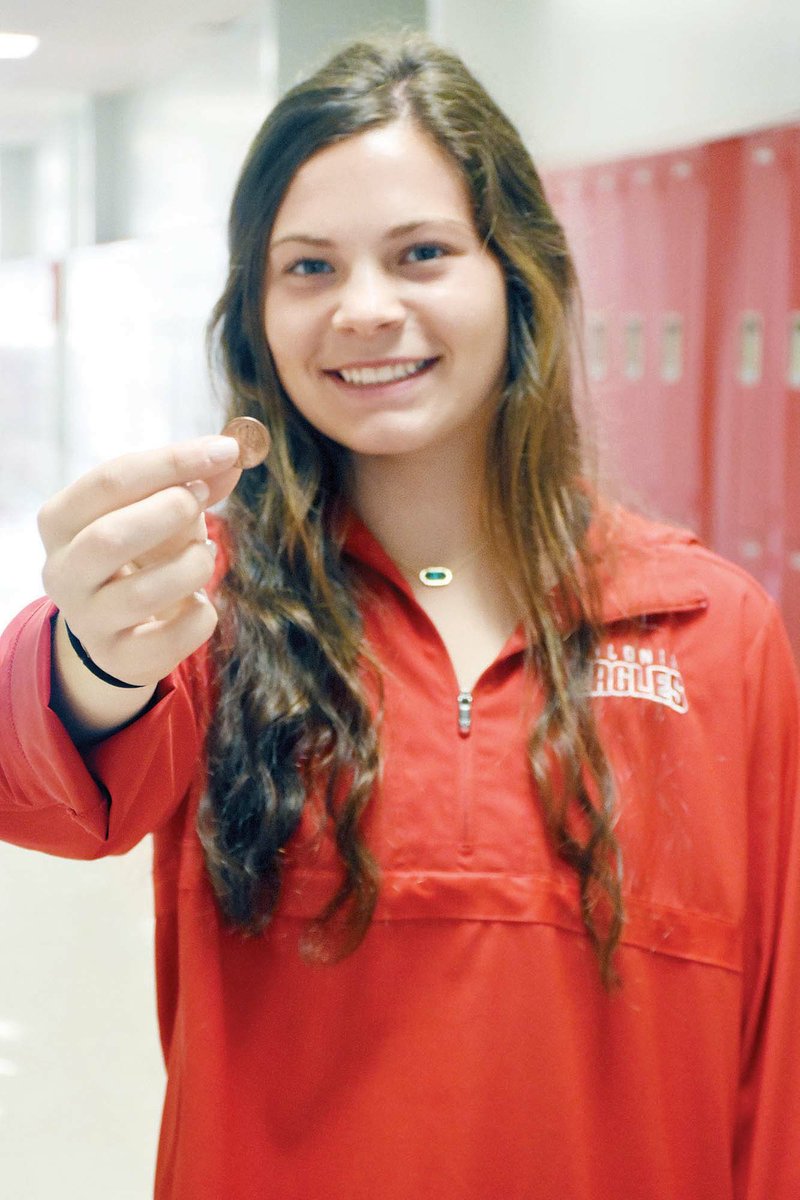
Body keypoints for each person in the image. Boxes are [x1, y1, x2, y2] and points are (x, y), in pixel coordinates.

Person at [1, 32, 798, 1200]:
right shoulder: (212, 609)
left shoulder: (710, 632)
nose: (365, 310)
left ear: (516, 272)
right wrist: (87, 654)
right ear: (256, 314)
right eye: (308, 268)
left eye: (419, 253)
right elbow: (43, 787)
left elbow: (774, 1067)